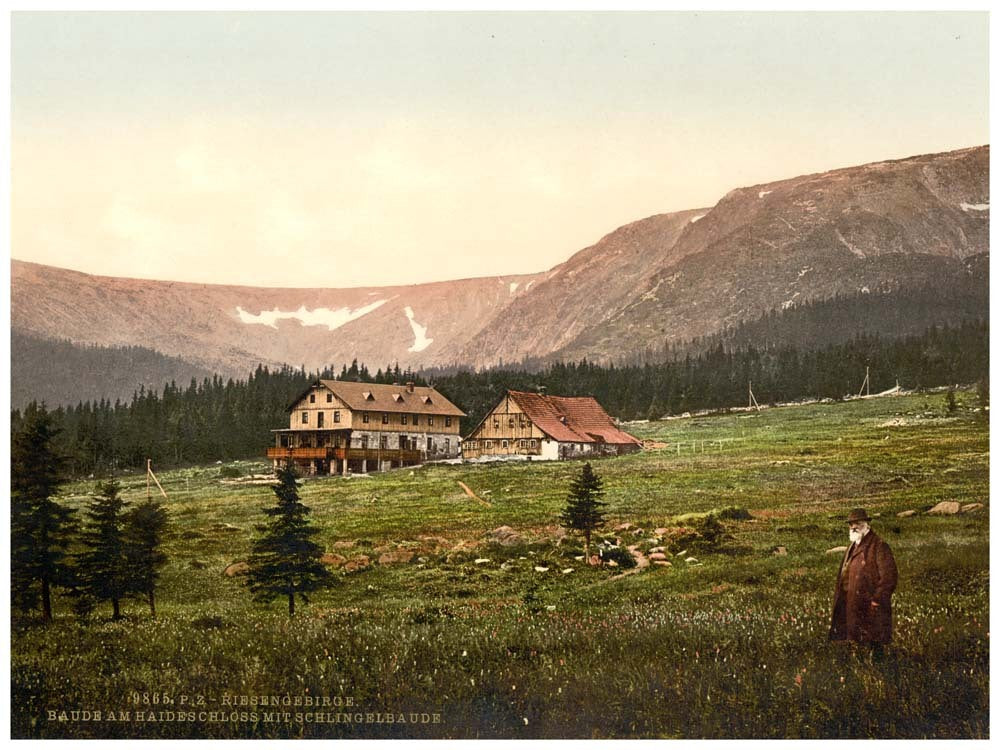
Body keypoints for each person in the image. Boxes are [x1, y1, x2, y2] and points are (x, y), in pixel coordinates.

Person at [829, 508, 898, 654]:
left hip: (870, 606)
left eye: (858, 523)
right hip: (851, 603)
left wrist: (877, 600)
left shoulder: (879, 546)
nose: (853, 527)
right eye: (851, 524)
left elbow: (889, 578)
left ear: (867, 524)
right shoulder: (852, 547)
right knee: (854, 644)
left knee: (873, 646)